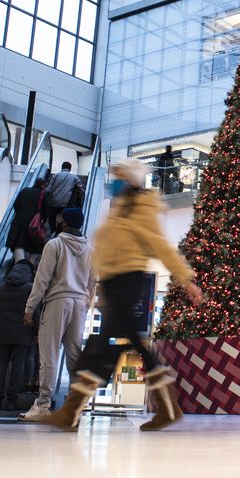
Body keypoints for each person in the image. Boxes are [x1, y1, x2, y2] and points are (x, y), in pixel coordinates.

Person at [46, 159, 203, 432]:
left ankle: (72, 411)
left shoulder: (141, 209)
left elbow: (160, 245)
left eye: (118, 176)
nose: (114, 180)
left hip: (127, 282)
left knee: (102, 345)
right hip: (113, 285)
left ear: (130, 179)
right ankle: (168, 407)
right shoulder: (121, 208)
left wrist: (185, 278)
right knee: (130, 345)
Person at [20, 208, 95, 422]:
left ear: (63, 222)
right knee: (74, 356)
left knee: (49, 355)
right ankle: (74, 406)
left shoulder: (54, 245)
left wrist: (29, 307)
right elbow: (92, 281)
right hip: (79, 303)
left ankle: (43, 404)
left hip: (57, 302)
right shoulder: (90, 248)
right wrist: (86, 304)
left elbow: (42, 279)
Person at [0, 259, 38, 410]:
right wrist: (36, 332)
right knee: (17, 367)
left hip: (3, 334)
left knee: (1, 366)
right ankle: (11, 400)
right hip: (23, 335)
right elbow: (35, 312)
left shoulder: (1, 288)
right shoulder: (29, 288)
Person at [7, 176, 47, 265]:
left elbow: (16, 205)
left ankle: (19, 265)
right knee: (36, 245)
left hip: (19, 220)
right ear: (43, 185)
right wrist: (43, 219)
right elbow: (45, 210)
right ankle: (30, 267)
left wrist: (21, 212)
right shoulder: (43, 194)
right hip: (34, 223)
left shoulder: (25, 190)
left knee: (19, 243)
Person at [45, 161, 83, 231]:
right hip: (66, 203)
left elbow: (48, 189)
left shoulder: (55, 176)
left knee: (52, 218)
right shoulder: (74, 177)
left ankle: (52, 231)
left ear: (62, 167)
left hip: (54, 202)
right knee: (64, 219)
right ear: (70, 169)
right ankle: (60, 232)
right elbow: (81, 189)